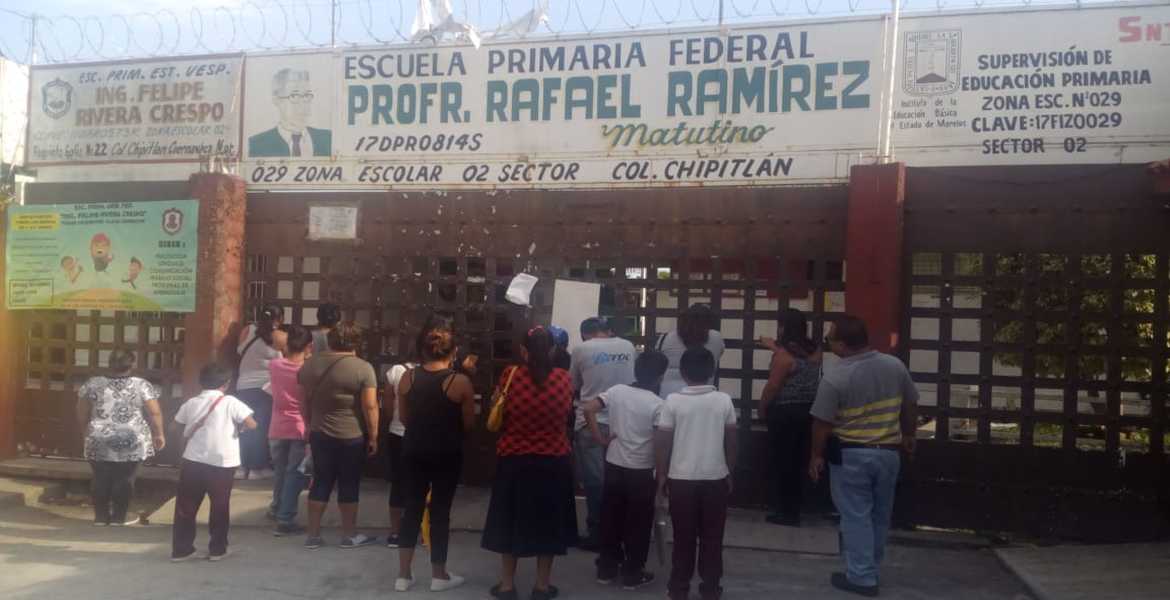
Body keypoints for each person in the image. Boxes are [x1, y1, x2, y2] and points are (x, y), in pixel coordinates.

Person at [809, 315, 919, 598]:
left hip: (852, 456)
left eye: (830, 338)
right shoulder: (894, 366)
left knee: (855, 516)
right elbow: (910, 404)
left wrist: (816, 456)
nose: (828, 342)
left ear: (842, 345)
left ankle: (861, 577)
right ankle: (870, 568)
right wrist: (909, 435)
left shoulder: (836, 377)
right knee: (880, 516)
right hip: (888, 454)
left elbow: (822, 423)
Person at [482, 327, 578, 600]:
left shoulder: (510, 375)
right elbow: (567, 415)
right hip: (553, 461)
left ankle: (507, 586)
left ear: (524, 351)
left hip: (514, 459)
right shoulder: (564, 379)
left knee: (509, 519)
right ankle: (542, 586)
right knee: (548, 522)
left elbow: (499, 409)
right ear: (553, 350)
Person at [394, 315, 477, 592]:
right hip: (446, 452)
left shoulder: (407, 377)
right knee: (440, 512)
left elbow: (404, 418)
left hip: (413, 449)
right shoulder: (459, 382)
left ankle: (403, 575)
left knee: (412, 508)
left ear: (422, 349)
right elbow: (468, 423)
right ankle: (439, 575)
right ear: (453, 352)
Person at [654, 347, 738, 600]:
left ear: (682, 372)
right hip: (715, 479)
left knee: (683, 537)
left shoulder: (672, 401)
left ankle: (678, 589)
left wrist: (661, 475)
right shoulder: (723, 400)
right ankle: (711, 589)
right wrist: (729, 471)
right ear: (712, 371)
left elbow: (662, 443)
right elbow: (732, 441)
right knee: (713, 538)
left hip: (681, 480)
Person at [582, 350, 670, 590]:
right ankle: (632, 574)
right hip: (641, 471)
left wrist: (599, 438)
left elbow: (588, 408)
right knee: (638, 524)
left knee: (611, 518)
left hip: (614, 465)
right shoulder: (658, 405)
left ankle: (606, 569)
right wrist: (661, 475)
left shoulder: (617, 391)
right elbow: (659, 444)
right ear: (660, 377)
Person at [299, 321, 380, 549]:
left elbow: (302, 402)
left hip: (319, 432)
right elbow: (370, 406)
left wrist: (309, 425)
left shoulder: (309, 365)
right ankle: (349, 535)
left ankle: (313, 536)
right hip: (351, 434)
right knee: (349, 483)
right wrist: (374, 436)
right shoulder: (363, 368)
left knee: (320, 481)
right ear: (357, 342)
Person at [171, 364, 258, 562]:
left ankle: (182, 550)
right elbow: (252, 424)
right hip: (222, 462)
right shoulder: (230, 402)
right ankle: (217, 549)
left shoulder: (191, 402)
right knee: (219, 505)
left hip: (193, 459)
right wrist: (239, 428)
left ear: (201, 382)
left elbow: (174, 427)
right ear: (226, 384)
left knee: (186, 506)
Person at [76, 349, 165, 527]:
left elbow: (82, 412)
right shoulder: (142, 385)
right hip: (132, 439)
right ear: (132, 364)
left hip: (99, 437)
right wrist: (159, 434)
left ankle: (100, 517)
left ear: (109, 363)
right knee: (125, 478)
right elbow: (154, 413)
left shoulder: (92, 384)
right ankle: (119, 518)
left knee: (100, 477)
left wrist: (85, 432)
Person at [569, 316, 636, 550]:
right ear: (607, 330)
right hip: (623, 421)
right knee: (622, 478)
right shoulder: (628, 346)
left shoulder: (581, 350)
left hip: (590, 422)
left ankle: (597, 533)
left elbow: (572, 385)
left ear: (584, 334)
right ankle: (621, 530)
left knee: (595, 482)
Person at [758, 308, 822, 527]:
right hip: (808, 411)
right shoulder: (815, 350)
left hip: (785, 413)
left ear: (783, 327)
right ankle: (795, 509)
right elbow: (798, 357)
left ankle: (785, 512)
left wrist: (762, 408)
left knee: (783, 462)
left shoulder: (783, 356)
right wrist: (774, 346)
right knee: (799, 461)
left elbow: (773, 386)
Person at [268, 325, 313, 536]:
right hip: (300, 426)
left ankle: (276, 507)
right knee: (294, 473)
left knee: (280, 470)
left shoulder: (274, 365)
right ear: (309, 346)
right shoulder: (307, 371)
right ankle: (285, 519)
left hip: (277, 427)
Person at [236, 303, 288, 481]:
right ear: (280, 318)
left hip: (243, 386)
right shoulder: (279, 336)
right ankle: (257, 469)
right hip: (265, 388)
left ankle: (241, 467)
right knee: (261, 428)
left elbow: (240, 351)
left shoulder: (247, 330)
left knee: (244, 427)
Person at [248, 68, 332, 157]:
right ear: (276, 99)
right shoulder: (256, 144)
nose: (303, 105)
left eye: (307, 95)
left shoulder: (328, 138)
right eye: (294, 96)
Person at [657, 304, 725, 399]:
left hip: (669, 396)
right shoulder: (716, 338)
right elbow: (719, 353)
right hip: (704, 396)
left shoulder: (665, 338)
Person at [382, 358, 415, 549]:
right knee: (422, 485)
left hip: (397, 432)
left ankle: (395, 532)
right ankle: (418, 529)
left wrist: (390, 420)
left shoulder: (395, 370)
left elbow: (387, 404)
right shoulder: (437, 371)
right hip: (424, 435)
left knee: (398, 484)